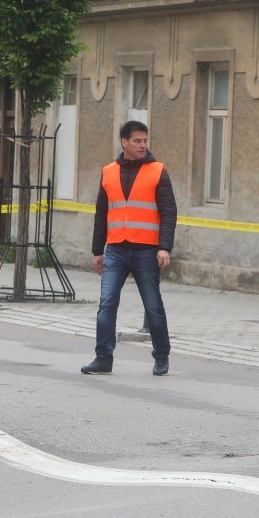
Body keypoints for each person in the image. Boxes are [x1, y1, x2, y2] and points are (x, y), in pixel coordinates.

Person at [81, 120, 177, 376]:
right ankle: (103, 358)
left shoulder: (158, 171)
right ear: (124, 142)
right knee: (107, 303)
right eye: (137, 141)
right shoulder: (109, 171)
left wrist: (164, 247)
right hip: (115, 249)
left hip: (147, 250)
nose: (142, 145)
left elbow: (169, 212)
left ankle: (161, 357)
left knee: (153, 305)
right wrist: (97, 251)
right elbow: (101, 213)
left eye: (145, 140)